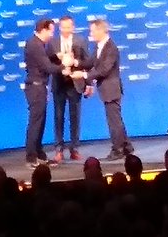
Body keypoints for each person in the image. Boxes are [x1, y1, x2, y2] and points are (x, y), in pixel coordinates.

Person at [75, 18, 132, 160]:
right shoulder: (99, 46)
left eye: (92, 31)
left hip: (111, 90)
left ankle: (117, 150)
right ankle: (126, 146)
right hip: (107, 90)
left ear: (101, 30)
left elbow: (104, 69)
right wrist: (76, 62)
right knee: (116, 119)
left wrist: (84, 75)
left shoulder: (111, 48)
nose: (91, 34)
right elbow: (90, 63)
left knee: (114, 122)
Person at [47, 15, 90, 162]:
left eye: (68, 27)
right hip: (59, 84)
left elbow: (87, 62)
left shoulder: (81, 41)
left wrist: (88, 82)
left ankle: (74, 148)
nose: (66, 30)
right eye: (63, 27)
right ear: (60, 28)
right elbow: (47, 63)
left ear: (73, 27)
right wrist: (58, 59)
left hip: (75, 84)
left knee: (75, 117)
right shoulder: (52, 43)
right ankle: (59, 149)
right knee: (58, 116)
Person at [23, 17, 58, 168]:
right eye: (51, 31)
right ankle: (31, 157)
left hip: (40, 87)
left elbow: (46, 63)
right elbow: (47, 67)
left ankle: (39, 154)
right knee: (36, 122)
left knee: (40, 122)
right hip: (35, 88)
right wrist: (64, 66)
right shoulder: (35, 45)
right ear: (43, 30)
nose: (52, 35)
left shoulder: (38, 44)